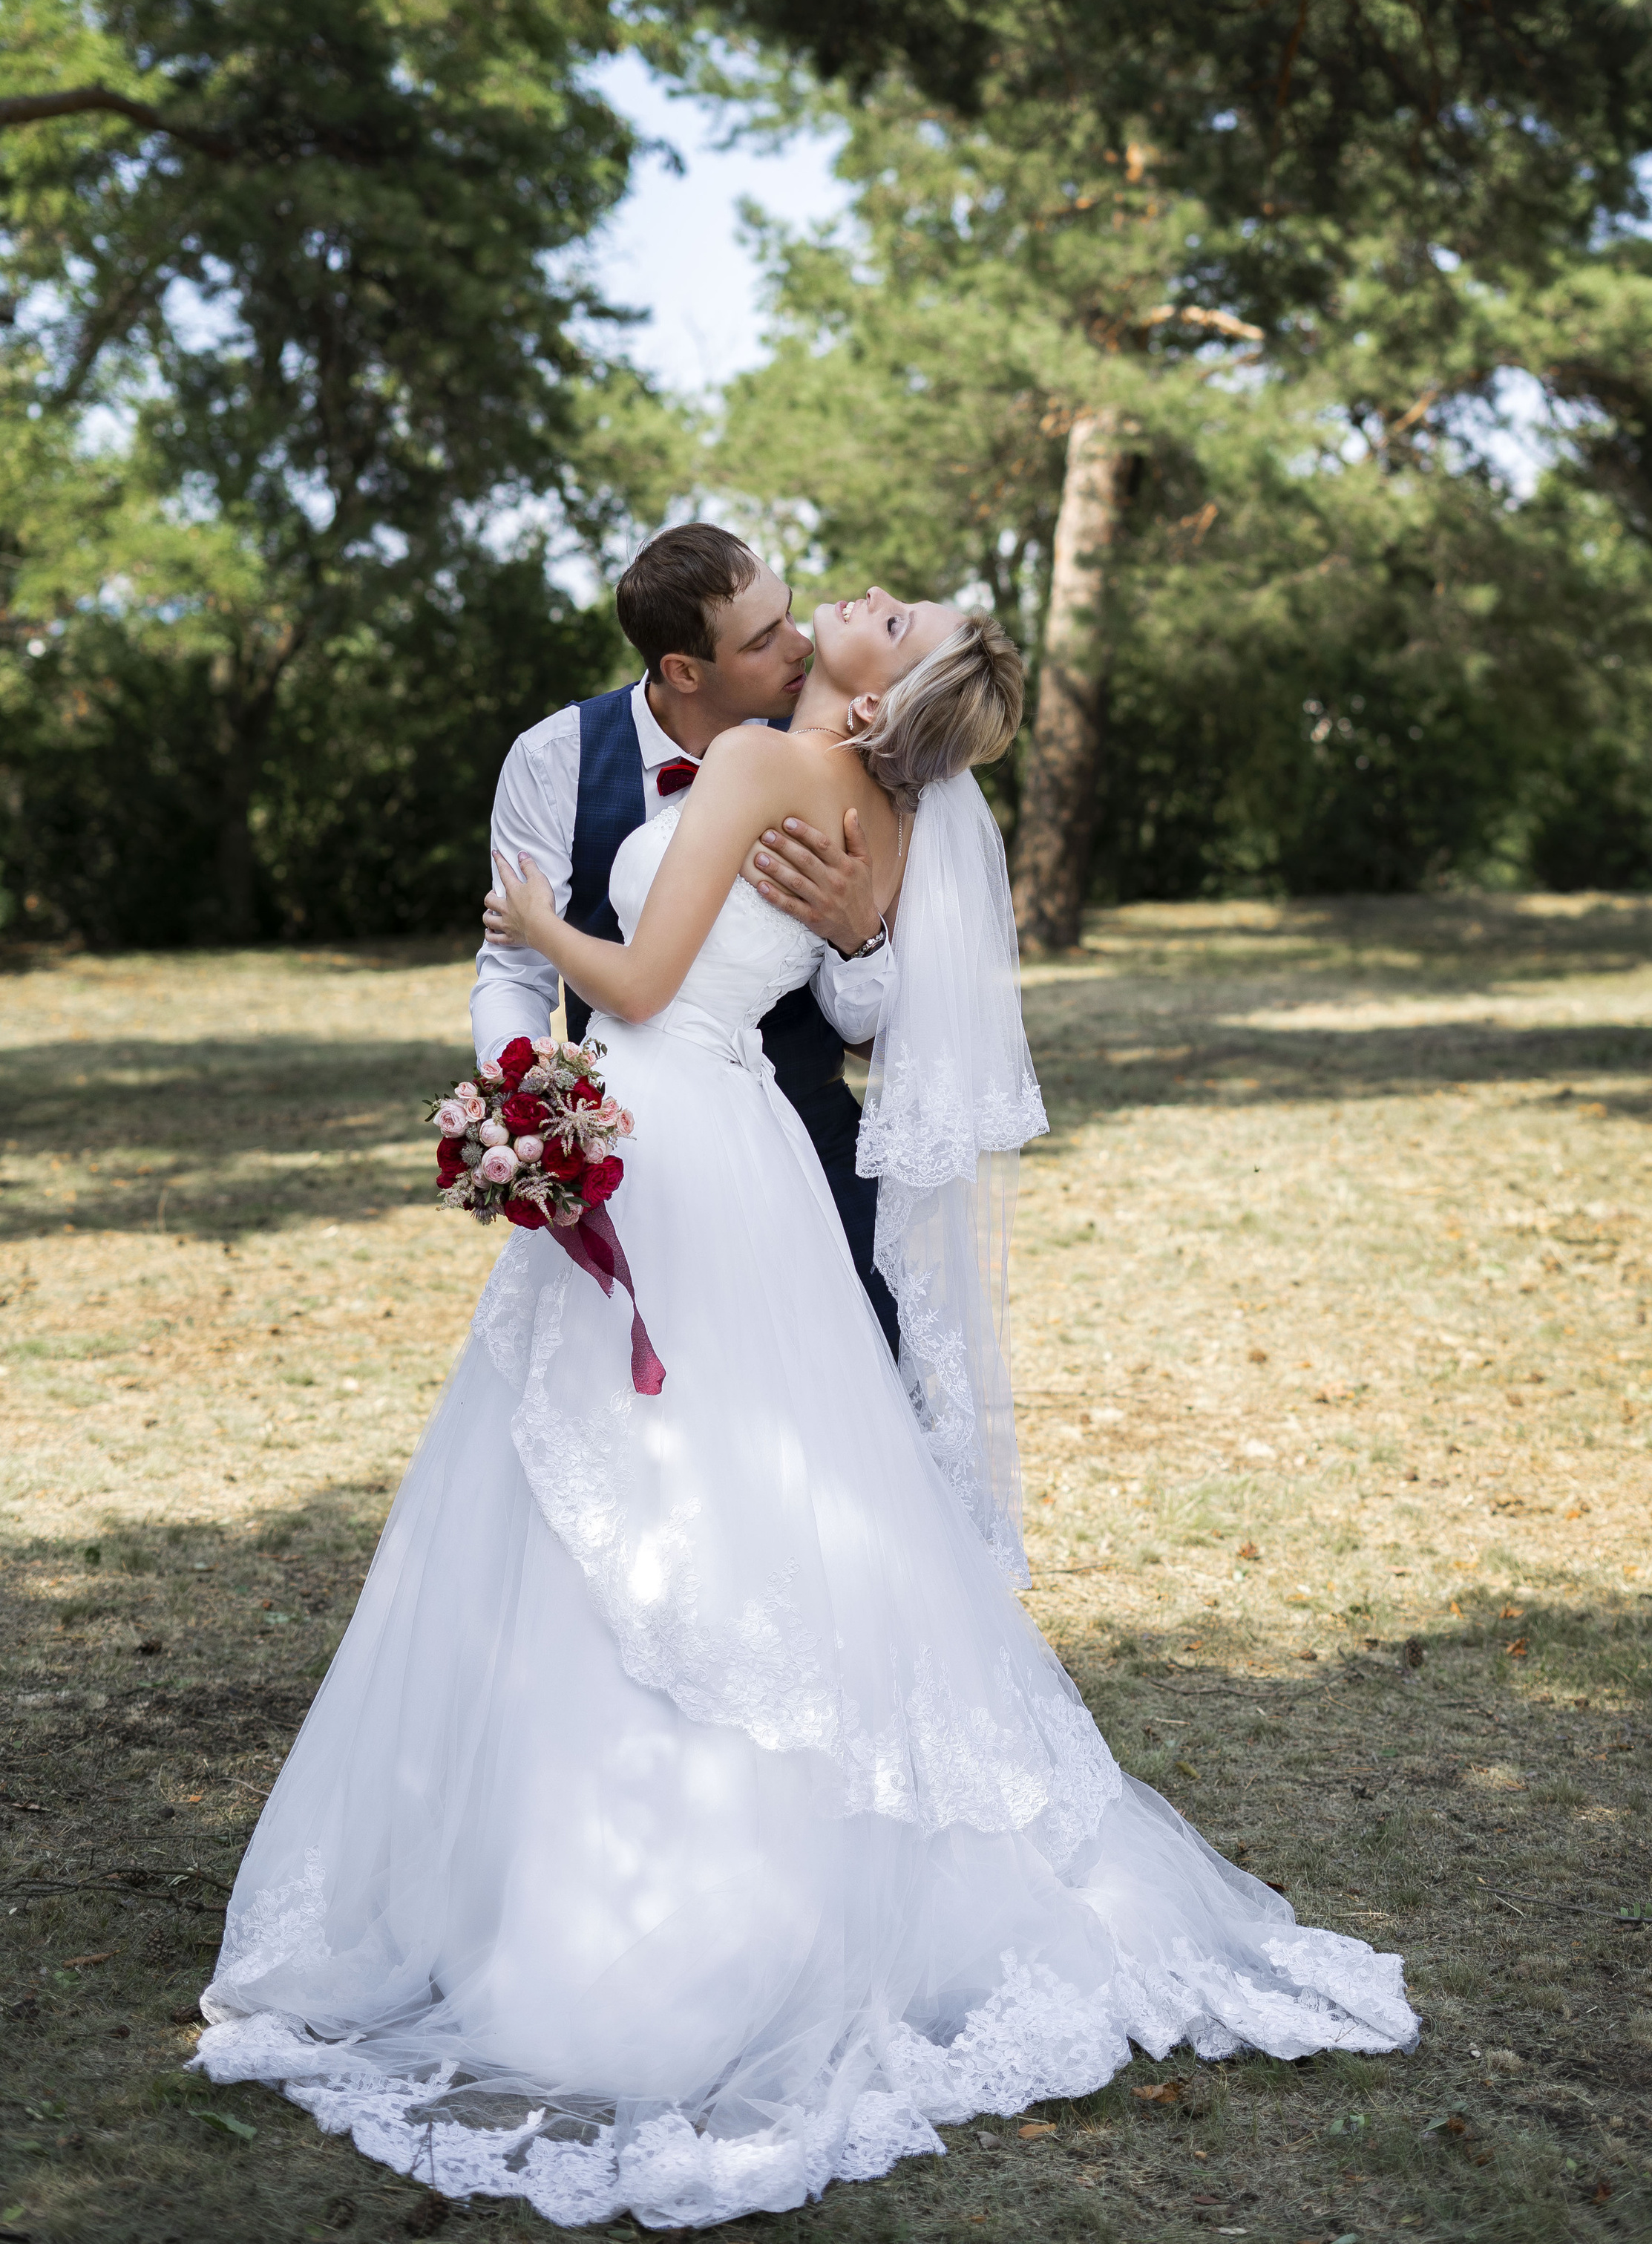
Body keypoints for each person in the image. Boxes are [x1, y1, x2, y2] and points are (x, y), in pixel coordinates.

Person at [195, 583, 1416, 2230]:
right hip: (706, 1151)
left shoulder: (778, 767)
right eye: (807, 605)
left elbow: (647, 986)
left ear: (873, 679)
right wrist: (521, 1083)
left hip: (685, 1133)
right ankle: (563, 1862)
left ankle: (622, 1928)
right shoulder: (850, 801)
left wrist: (524, 927)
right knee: (702, 1496)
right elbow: (647, 995)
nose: (850, 601)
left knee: (651, 1494)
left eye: (884, 611)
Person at [470, 522, 903, 1353]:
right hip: (635, 1149)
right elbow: (514, 972)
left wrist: (861, 937)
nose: (801, 643)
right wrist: (531, 1118)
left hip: (806, 1140)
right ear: (682, 670)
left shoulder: (837, 764)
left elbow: (875, 1035)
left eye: (788, 613)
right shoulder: (556, 758)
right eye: (764, 638)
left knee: (863, 1387)